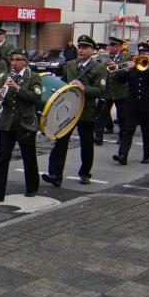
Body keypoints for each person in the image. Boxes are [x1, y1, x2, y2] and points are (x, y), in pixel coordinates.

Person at [45, 36, 107, 187]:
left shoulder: (99, 68)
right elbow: (63, 84)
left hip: (87, 110)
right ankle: (55, 174)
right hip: (69, 109)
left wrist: (83, 88)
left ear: (92, 50)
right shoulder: (70, 65)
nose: (81, 50)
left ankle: (85, 173)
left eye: (85, 48)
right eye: (80, 47)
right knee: (61, 141)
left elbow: (101, 91)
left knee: (86, 143)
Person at [0, 50, 43, 200]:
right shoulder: (5, 76)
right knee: (2, 158)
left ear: (25, 62)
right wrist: (1, 95)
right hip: (7, 122)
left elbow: (36, 97)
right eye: (12, 60)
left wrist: (18, 88)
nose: (14, 63)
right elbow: (0, 98)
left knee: (28, 156)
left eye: (18, 60)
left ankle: (32, 187)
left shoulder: (33, 77)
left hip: (25, 122)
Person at [111, 42, 149, 164]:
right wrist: (126, 70)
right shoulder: (133, 67)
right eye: (141, 54)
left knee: (147, 132)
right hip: (132, 104)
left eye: (146, 53)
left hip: (148, 105)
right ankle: (122, 155)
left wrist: (146, 67)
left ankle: (147, 156)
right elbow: (120, 80)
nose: (143, 55)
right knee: (127, 130)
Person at [98, 36, 130, 145]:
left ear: (120, 47)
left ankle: (122, 137)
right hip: (107, 90)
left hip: (120, 90)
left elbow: (127, 73)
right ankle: (98, 137)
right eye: (110, 45)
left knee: (122, 116)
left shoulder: (126, 57)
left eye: (114, 46)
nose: (111, 47)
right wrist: (100, 55)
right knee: (102, 115)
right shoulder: (105, 56)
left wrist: (115, 67)